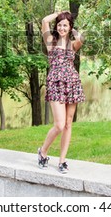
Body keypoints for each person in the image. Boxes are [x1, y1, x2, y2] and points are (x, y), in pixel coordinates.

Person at [37, 11, 85, 174]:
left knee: (68, 123)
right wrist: (59, 14)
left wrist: (74, 32)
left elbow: (81, 39)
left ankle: (62, 161)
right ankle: (43, 151)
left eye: (65, 25)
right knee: (59, 124)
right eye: (59, 24)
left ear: (70, 27)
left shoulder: (73, 45)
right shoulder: (51, 41)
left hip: (72, 83)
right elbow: (44, 20)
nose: (62, 27)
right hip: (56, 83)